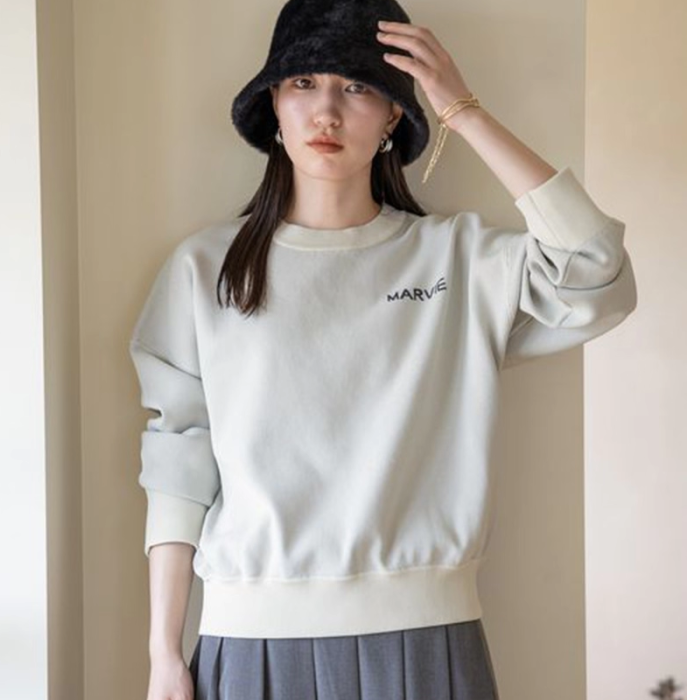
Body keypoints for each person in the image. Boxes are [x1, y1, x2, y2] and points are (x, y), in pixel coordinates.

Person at [128, 0, 638, 699]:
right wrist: (163, 653)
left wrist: (463, 112)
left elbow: (598, 273)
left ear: (395, 114)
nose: (327, 111)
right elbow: (177, 466)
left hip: (428, 639)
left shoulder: (457, 258)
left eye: (358, 86)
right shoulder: (204, 270)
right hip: (250, 643)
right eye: (303, 82)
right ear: (273, 103)